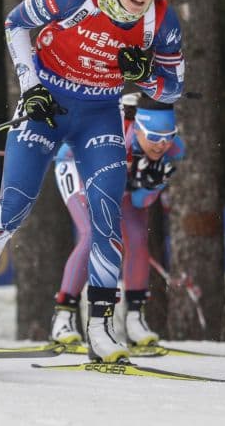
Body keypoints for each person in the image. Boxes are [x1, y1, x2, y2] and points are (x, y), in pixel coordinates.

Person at [0, 0, 184, 364]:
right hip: (47, 104)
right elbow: (15, 23)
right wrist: (29, 86)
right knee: (12, 206)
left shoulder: (160, 20)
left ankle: (102, 328)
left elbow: (173, 89)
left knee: (107, 215)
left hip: (100, 116)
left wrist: (143, 73)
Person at [50, 99, 183, 347]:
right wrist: (132, 177)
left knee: (137, 238)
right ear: (140, 129)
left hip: (118, 176)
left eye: (169, 136)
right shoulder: (115, 135)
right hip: (78, 166)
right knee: (92, 235)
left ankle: (135, 319)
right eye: (154, 137)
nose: (162, 144)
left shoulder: (170, 147)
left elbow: (142, 202)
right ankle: (63, 316)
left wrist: (149, 184)